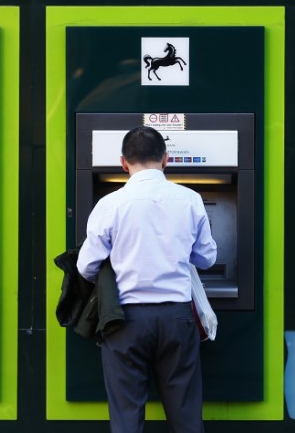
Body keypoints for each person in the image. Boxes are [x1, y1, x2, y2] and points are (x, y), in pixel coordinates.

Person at [77, 125, 217, 433]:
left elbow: (87, 266)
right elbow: (207, 258)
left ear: (124, 163)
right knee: (186, 415)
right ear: (166, 160)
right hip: (177, 318)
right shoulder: (190, 199)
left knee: (126, 416)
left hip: (125, 321)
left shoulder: (109, 204)